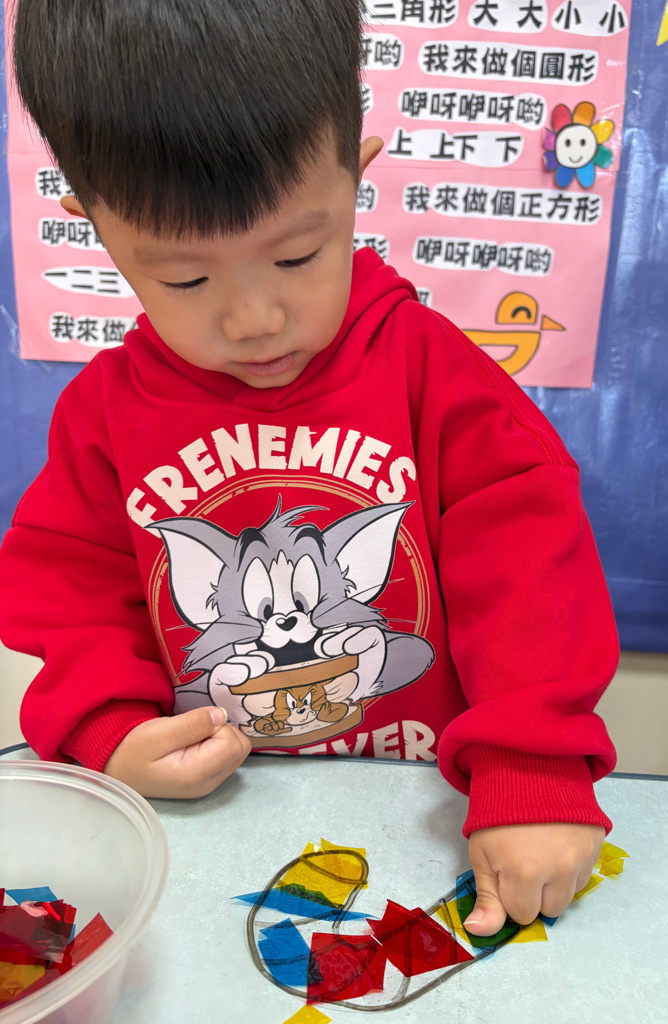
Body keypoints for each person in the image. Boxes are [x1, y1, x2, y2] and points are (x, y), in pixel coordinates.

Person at [0, 0, 619, 936]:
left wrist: (532, 765)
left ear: (355, 178)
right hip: (212, 835)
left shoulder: (431, 373)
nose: (255, 320)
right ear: (94, 226)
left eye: (297, 255)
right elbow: (71, 589)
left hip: (426, 815)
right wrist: (107, 728)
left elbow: (531, 567)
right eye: (185, 278)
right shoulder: (103, 418)